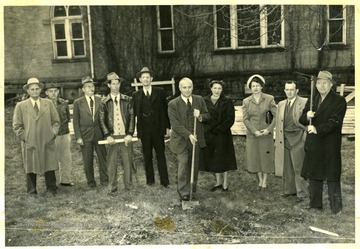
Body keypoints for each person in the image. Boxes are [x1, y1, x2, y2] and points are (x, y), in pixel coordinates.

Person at [299, 70, 346, 214]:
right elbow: (301, 119)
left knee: (332, 175)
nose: (321, 86)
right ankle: (315, 205)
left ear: (331, 84)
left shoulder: (338, 100)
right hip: (315, 144)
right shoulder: (313, 98)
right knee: (314, 174)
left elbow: (335, 122)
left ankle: (336, 207)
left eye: (325, 83)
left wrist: (317, 129)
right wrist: (307, 116)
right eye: (319, 83)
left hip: (329, 143)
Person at [13, 78, 60, 195]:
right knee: (30, 165)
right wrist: (25, 137)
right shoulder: (21, 106)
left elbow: (56, 122)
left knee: (49, 163)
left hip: (46, 139)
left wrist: (52, 134)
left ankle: (51, 188)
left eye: (37, 89)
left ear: (40, 90)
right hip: (30, 140)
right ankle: (32, 190)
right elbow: (17, 125)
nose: (35, 91)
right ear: (28, 91)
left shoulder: (48, 103)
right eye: (32, 89)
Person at [168, 77, 210, 201]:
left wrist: (201, 116)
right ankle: (183, 191)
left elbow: (207, 115)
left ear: (192, 87)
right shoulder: (173, 104)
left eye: (189, 87)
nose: (187, 90)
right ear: (180, 88)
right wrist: (188, 135)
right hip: (180, 140)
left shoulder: (199, 100)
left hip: (196, 139)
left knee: (194, 165)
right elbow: (175, 124)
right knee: (183, 164)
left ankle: (192, 188)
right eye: (184, 87)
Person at [132, 67, 170, 187]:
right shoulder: (136, 95)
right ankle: (150, 181)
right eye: (143, 77)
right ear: (140, 80)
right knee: (147, 156)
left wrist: (167, 128)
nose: (145, 79)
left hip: (158, 130)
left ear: (151, 79)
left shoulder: (160, 92)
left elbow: (165, 111)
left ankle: (165, 182)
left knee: (160, 156)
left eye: (147, 77)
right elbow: (134, 114)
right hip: (145, 131)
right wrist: (136, 131)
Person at [99, 72, 135, 193]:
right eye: (113, 84)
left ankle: (128, 186)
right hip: (112, 137)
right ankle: (112, 186)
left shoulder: (127, 100)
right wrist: (107, 135)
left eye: (117, 83)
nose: (115, 86)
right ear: (109, 85)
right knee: (111, 162)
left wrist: (130, 133)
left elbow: (131, 117)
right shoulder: (104, 102)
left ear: (120, 84)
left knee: (127, 162)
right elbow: (101, 120)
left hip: (125, 136)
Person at [200, 80, 237, 192]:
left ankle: (225, 183)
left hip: (222, 134)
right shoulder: (204, 101)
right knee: (213, 158)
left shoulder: (227, 101)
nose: (217, 91)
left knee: (224, 159)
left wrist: (219, 129)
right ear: (211, 88)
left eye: (219, 88)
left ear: (222, 89)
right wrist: (209, 130)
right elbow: (202, 117)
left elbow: (230, 118)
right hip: (209, 134)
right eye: (215, 88)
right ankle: (218, 182)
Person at [274, 81, 308, 202]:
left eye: (292, 89)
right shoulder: (281, 104)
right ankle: (289, 190)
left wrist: (305, 135)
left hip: (298, 138)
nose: (289, 92)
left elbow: (307, 121)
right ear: (284, 90)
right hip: (285, 139)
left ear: (297, 90)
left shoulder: (304, 102)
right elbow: (279, 123)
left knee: (299, 167)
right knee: (287, 166)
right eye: (287, 89)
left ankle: (302, 193)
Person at [73, 76, 108, 188]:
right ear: (83, 89)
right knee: (87, 160)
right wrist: (78, 136)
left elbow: (105, 118)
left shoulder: (100, 100)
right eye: (88, 87)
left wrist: (107, 134)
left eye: (92, 86)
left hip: (99, 133)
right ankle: (91, 182)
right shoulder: (78, 103)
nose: (91, 89)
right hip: (85, 135)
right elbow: (75, 121)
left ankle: (105, 180)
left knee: (102, 158)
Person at [242, 74, 276, 190]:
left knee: (265, 157)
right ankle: (260, 180)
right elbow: (245, 119)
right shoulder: (246, 101)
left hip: (265, 134)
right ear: (250, 88)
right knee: (255, 157)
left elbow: (276, 116)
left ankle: (265, 181)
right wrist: (254, 131)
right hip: (253, 135)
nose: (255, 88)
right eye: (253, 86)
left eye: (257, 85)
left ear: (262, 86)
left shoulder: (269, 99)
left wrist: (268, 129)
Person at [44, 82, 74, 187]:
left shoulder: (63, 103)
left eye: (55, 91)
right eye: (51, 91)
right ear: (46, 92)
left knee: (66, 158)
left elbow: (68, 119)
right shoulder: (44, 104)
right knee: (51, 159)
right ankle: (51, 183)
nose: (53, 93)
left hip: (64, 133)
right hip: (51, 136)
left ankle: (65, 180)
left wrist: (68, 132)